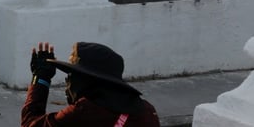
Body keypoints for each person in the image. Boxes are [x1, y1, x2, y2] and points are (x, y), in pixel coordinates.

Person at [24, 41, 161, 126]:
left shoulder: (84, 112)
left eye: (72, 75)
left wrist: (40, 79)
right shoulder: (147, 111)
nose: (68, 81)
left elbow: (30, 125)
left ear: (87, 80)